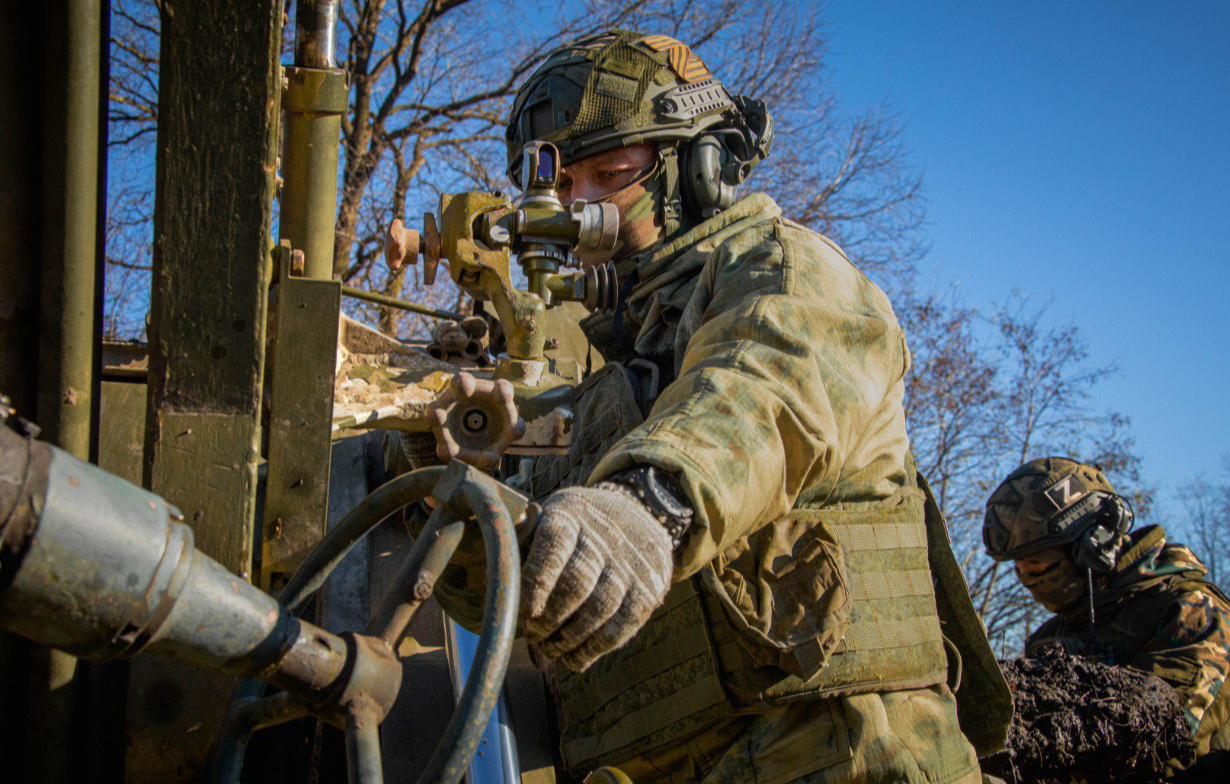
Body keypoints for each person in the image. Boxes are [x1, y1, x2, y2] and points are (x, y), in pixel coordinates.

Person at [416, 29, 1009, 783]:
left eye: (607, 171)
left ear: (699, 168)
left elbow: (764, 389)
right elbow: (510, 592)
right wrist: (446, 484)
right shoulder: (610, 374)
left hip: (834, 753)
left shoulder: (786, 271)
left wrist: (651, 503)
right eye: (563, 187)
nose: (579, 208)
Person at [983, 456, 1230, 773]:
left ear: (1093, 546)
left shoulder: (1192, 611)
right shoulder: (1051, 638)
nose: (1026, 574)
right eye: (1018, 567)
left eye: (1037, 562)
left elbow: (1164, 739)